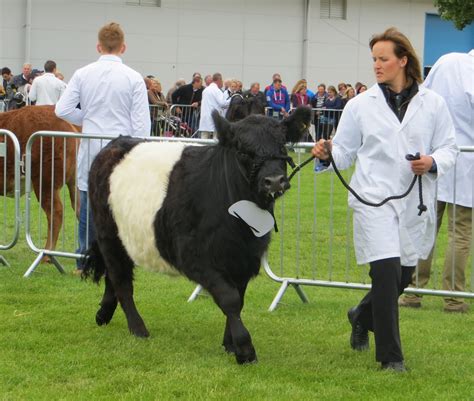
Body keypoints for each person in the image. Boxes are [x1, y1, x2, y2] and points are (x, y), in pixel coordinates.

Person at [311, 27, 457, 372]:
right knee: (387, 270)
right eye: (374, 59)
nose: (376, 65)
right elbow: (344, 152)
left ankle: (361, 314)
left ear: (403, 60)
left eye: (383, 59)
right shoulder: (360, 105)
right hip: (373, 199)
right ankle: (391, 358)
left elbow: (449, 147)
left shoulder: (433, 104)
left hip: (412, 200)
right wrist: (326, 153)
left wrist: (433, 162)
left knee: (403, 274)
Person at [55, 22, 150, 273]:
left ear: (98, 46)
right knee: (119, 207)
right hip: (121, 149)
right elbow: (142, 125)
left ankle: (84, 262)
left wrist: (86, 120)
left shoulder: (82, 73)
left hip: (91, 148)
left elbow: (61, 110)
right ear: (123, 47)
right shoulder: (133, 78)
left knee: (88, 205)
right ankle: (116, 261)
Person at [399, 49, 473, 313]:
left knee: (426, 225)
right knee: (460, 232)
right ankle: (453, 298)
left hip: (435, 157)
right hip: (463, 162)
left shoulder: (446, 61)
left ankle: (412, 291)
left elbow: (423, 96)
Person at [198, 72, 230, 139]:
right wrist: (232, 99)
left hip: (204, 117)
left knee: (203, 137)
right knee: (215, 138)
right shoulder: (216, 90)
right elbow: (222, 103)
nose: (222, 83)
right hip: (213, 117)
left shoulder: (205, 90)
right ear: (219, 80)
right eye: (222, 80)